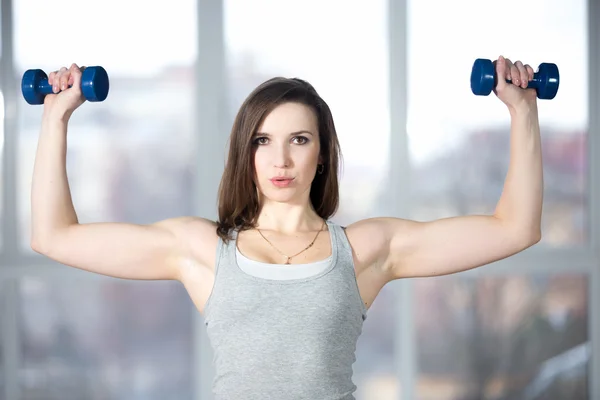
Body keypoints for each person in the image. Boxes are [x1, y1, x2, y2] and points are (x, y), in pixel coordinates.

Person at [31, 55, 543, 399]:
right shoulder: (202, 249)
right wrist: (55, 119)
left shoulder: (365, 249)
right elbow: (54, 236)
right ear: (245, 152)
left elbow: (514, 227)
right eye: (262, 140)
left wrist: (523, 112)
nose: (280, 158)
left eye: (299, 139)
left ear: (321, 155)